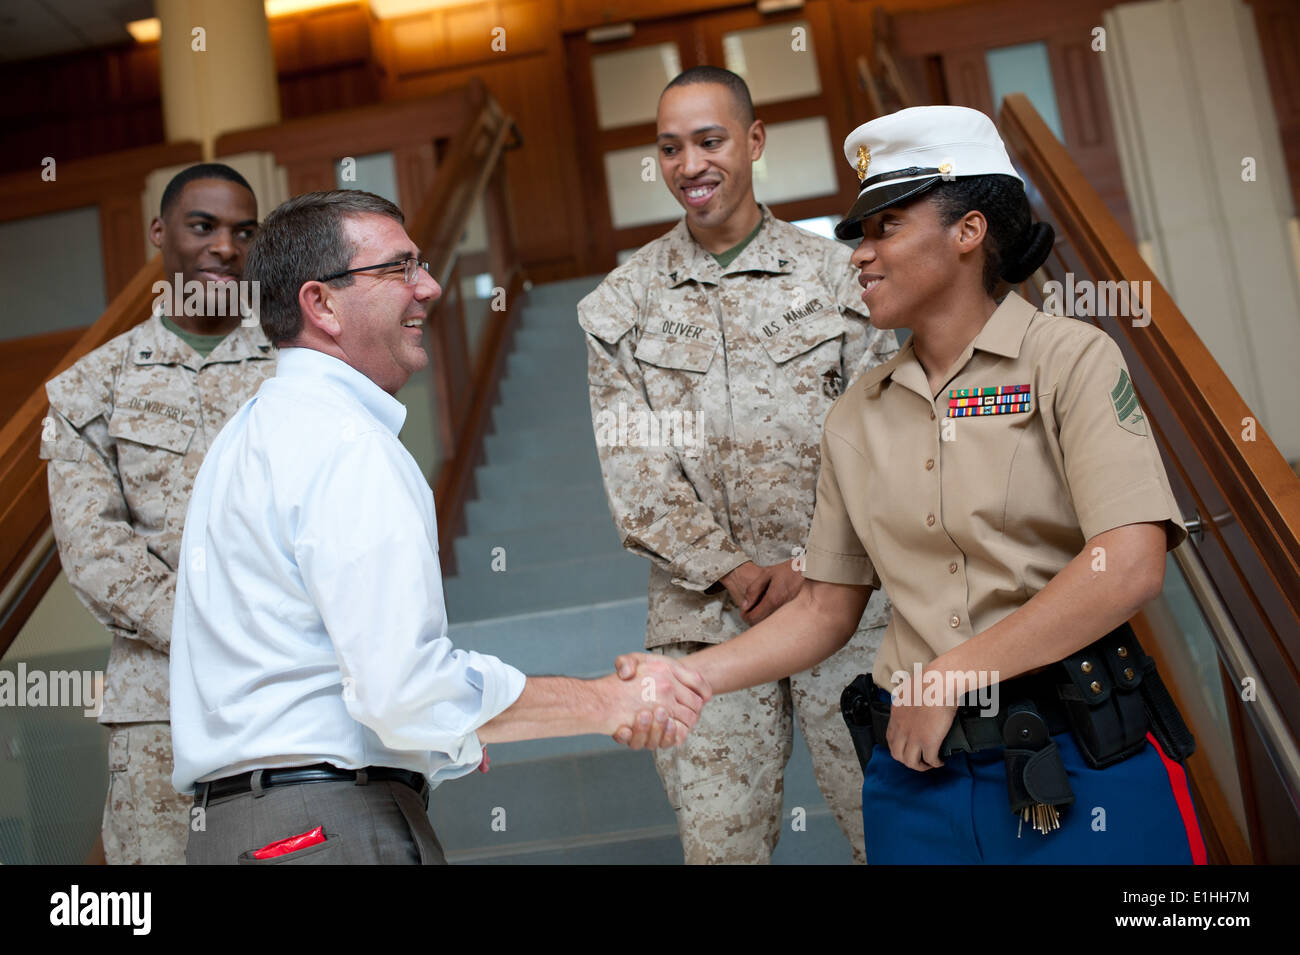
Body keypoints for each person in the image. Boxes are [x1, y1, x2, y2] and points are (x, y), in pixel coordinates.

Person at [617, 105, 1207, 864]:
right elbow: (828, 608)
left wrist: (953, 674)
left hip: (1082, 759)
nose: (860, 256)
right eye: (859, 235)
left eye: (886, 226)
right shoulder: (855, 415)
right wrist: (688, 674)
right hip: (915, 787)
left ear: (968, 232)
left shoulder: (1070, 360)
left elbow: (1128, 563)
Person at [170, 190, 709, 865]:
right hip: (327, 827)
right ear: (321, 303)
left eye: (419, 264)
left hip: (238, 833)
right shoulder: (347, 444)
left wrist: (456, 734)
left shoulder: (245, 437)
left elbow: (336, 677)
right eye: (398, 269)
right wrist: (603, 700)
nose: (429, 285)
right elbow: (405, 691)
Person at [581, 66, 897, 864]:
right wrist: (734, 570)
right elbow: (635, 471)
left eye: (710, 140)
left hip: (854, 601)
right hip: (703, 620)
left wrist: (807, 565)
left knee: (891, 826)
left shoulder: (843, 278)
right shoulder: (621, 304)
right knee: (722, 848)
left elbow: (885, 438)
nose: (690, 165)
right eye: (670, 148)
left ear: (755, 142)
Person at [40, 163, 274, 865]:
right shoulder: (90, 388)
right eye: (202, 226)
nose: (224, 248)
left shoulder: (301, 366)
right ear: (159, 233)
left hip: (296, 691)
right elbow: (92, 551)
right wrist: (218, 627)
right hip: (160, 708)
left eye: (242, 231)